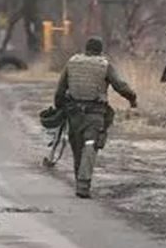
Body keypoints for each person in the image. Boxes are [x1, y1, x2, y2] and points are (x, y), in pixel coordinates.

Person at [55, 36, 137, 198]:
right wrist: (132, 99)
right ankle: (83, 185)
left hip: (74, 113)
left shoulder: (72, 62)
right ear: (100, 50)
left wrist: (59, 106)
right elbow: (120, 86)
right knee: (90, 145)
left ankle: (80, 179)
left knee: (77, 146)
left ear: (86, 48)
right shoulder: (104, 65)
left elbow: (61, 88)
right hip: (95, 113)